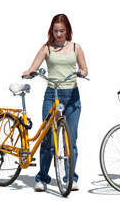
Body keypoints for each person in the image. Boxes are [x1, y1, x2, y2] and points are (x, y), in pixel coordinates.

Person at [22, 14, 88, 192]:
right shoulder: (46, 48)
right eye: (56, 31)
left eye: (62, 31)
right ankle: (42, 177)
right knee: (48, 140)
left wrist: (81, 72)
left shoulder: (76, 47)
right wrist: (29, 72)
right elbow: (34, 66)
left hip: (72, 96)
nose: (59, 34)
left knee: (71, 140)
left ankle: (70, 178)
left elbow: (84, 68)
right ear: (51, 30)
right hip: (52, 94)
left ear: (68, 31)